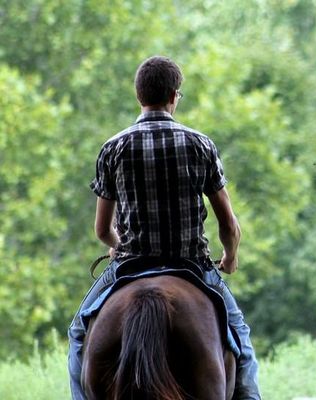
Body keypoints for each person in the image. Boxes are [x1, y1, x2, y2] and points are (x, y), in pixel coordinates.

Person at [67, 56, 261, 399]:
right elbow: (228, 222)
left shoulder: (113, 148)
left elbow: (101, 229)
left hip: (129, 265)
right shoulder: (200, 145)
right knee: (240, 341)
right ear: (174, 95)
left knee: (79, 335)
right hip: (192, 266)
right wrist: (230, 257)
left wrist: (116, 245)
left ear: (139, 96)